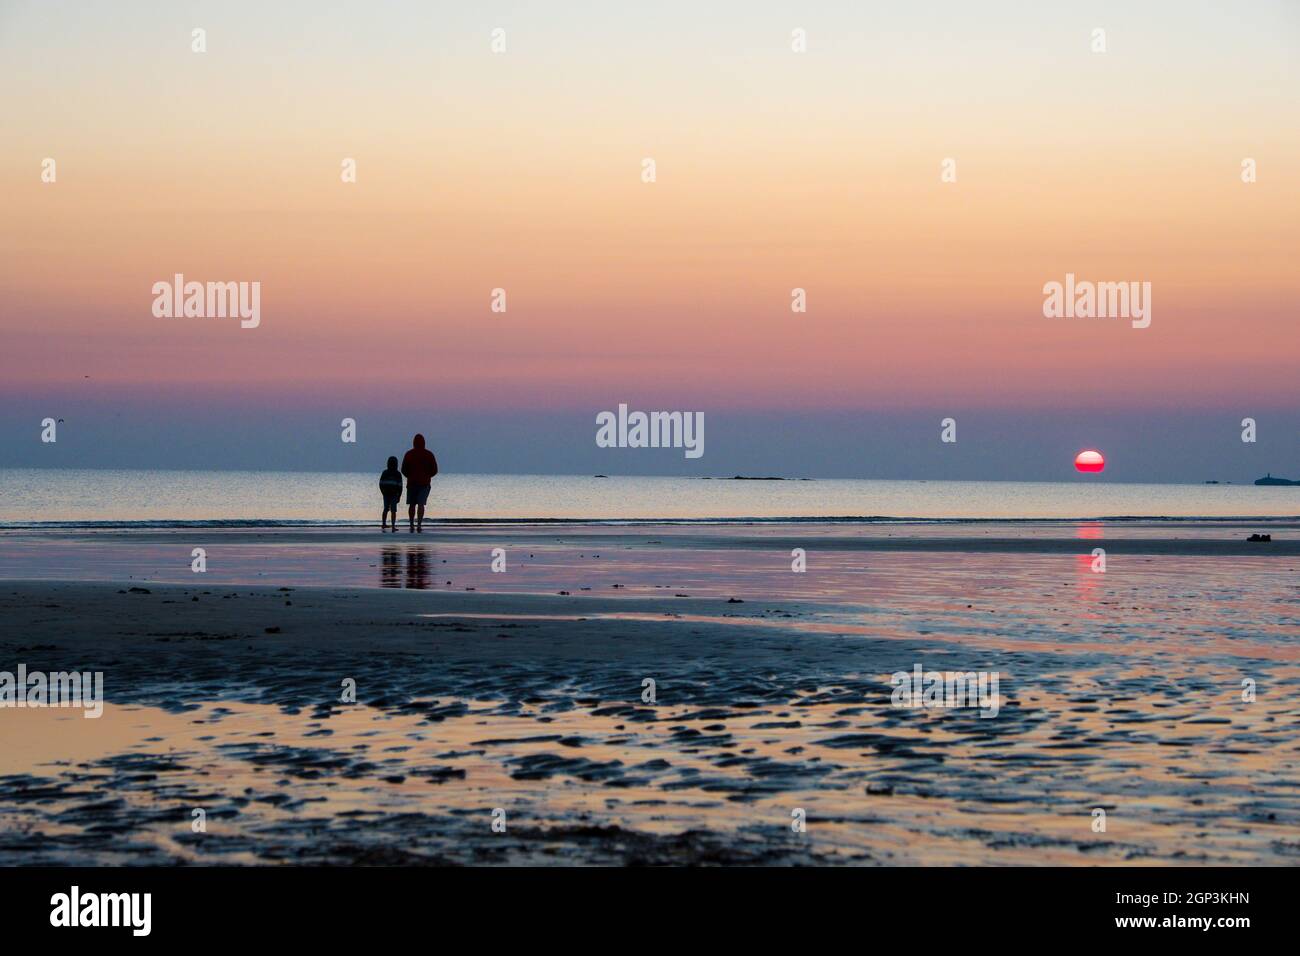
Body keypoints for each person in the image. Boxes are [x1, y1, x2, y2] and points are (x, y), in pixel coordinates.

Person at [400, 433, 438, 533]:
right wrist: (427, 476)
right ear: (424, 442)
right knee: (421, 504)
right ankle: (419, 524)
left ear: (414, 443)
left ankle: (412, 524)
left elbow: (403, 469)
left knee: (412, 505)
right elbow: (435, 470)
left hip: (412, 482)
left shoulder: (409, 454)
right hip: (424, 483)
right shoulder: (429, 454)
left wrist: (410, 476)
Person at [379, 456, 403, 532]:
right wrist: (399, 496)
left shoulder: (385, 472)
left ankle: (384, 524)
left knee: (386, 509)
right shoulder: (397, 474)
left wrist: (383, 492)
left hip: (387, 493)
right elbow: (400, 486)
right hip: (393, 494)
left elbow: (381, 484)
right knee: (393, 510)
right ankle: (392, 526)